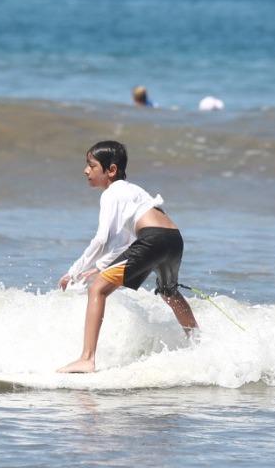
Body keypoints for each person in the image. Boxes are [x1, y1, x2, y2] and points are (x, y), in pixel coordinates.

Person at [56, 140, 198, 373]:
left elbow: (102, 239)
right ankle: (198, 344)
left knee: (97, 289)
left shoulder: (112, 193)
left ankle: (87, 359)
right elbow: (126, 241)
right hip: (173, 238)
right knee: (169, 292)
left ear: (110, 170)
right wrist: (102, 266)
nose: (85, 171)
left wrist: (75, 270)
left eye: (91, 166)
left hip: (152, 238)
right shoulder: (133, 190)